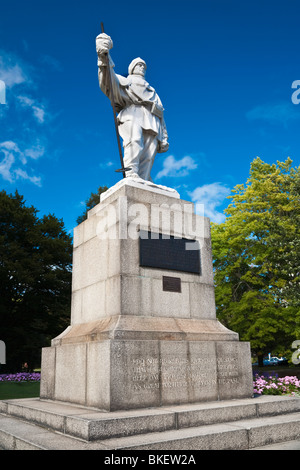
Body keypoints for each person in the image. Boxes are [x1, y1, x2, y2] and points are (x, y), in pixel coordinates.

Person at [96, 33, 169, 181]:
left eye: (144, 66)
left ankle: (143, 178)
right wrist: (103, 56)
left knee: (149, 153)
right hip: (131, 113)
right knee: (134, 141)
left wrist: (165, 137)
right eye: (139, 65)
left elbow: (161, 115)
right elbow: (108, 80)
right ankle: (131, 173)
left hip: (151, 119)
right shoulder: (125, 81)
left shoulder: (152, 90)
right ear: (132, 68)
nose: (142, 67)